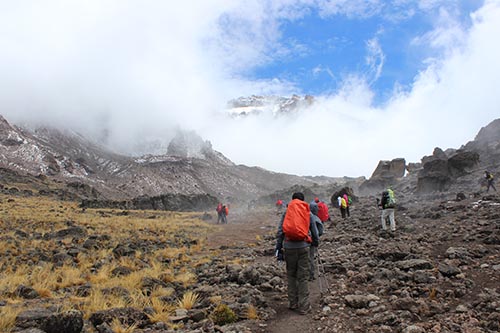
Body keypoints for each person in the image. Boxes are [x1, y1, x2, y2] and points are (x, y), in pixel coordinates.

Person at [275, 192, 319, 315]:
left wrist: (279, 248)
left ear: (293, 200)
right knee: (303, 277)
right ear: (302, 200)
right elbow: (314, 231)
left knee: (291, 275)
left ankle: (293, 303)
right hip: (303, 247)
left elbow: (280, 232)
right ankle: (304, 307)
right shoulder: (307, 212)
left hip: (288, 247)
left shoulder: (287, 212)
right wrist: (315, 242)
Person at [308, 201, 324, 281]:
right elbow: (320, 231)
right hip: (312, 241)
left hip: (303, 240)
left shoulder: (305, 215)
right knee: (311, 257)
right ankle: (311, 275)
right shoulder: (315, 218)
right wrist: (317, 240)